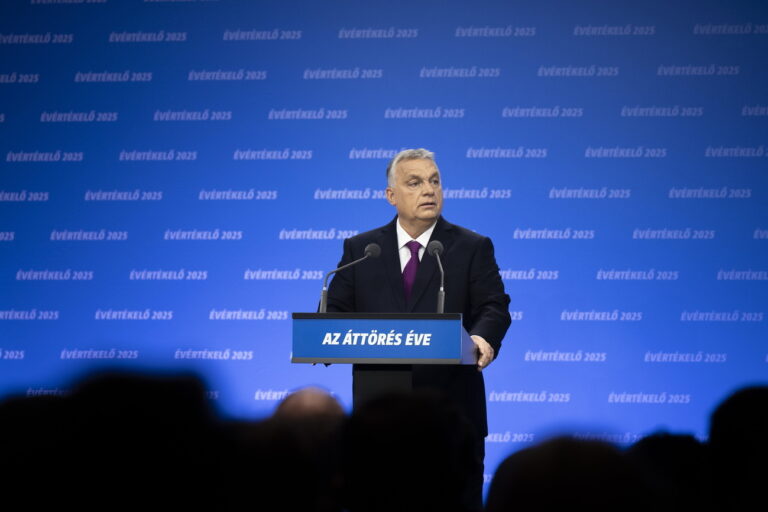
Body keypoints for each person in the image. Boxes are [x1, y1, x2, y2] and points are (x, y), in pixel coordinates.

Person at [326, 148, 511, 510]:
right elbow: (336, 312)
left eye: (434, 181)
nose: (429, 190)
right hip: (379, 418)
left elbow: (493, 305)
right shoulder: (363, 249)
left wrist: (481, 339)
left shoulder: (472, 247)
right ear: (391, 196)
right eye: (415, 182)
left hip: (452, 416)